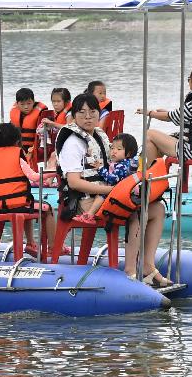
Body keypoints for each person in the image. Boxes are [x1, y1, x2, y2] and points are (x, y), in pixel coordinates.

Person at [56, 94, 170, 286]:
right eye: (82, 113)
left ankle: (148, 266)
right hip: (83, 201)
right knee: (134, 212)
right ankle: (130, 270)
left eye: (93, 112)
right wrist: (111, 190)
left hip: (105, 196)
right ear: (74, 116)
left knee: (158, 208)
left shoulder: (99, 136)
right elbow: (74, 182)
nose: (88, 117)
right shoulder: (72, 142)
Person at [0, 123, 58, 258]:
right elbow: (34, 177)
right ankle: (53, 248)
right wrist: (56, 172)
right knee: (47, 209)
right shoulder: (17, 154)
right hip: (18, 205)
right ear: (17, 141)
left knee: (27, 203)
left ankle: (30, 243)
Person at [137, 66, 192, 162]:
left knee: (149, 134)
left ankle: (150, 173)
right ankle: (154, 172)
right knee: (153, 144)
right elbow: (189, 117)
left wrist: (150, 113)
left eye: (189, 79)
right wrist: (167, 113)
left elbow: (173, 117)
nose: (188, 83)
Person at [86, 133, 139, 217]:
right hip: (128, 191)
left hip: (124, 193)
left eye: (119, 149)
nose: (114, 151)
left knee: (102, 194)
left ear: (128, 153)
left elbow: (112, 179)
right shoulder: (127, 162)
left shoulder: (123, 166)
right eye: (112, 148)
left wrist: (100, 169)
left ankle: (90, 214)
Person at [9, 87, 47, 155]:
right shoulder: (14, 113)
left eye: (29, 103)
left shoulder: (41, 113)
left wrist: (33, 148)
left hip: (34, 148)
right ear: (17, 104)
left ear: (33, 102)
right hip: (16, 147)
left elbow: (43, 134)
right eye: (22, 104)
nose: (26, 107)